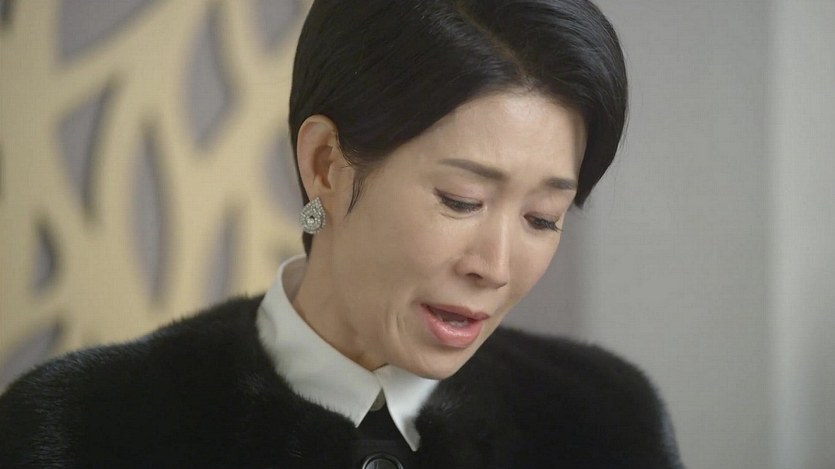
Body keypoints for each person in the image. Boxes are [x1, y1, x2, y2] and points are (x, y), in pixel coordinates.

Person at [0, 1, 684, 467]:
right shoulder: (85, 429)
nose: (495, 265)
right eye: (461, 199)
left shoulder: (604, 421)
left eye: (542, 217)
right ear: (325, 163)